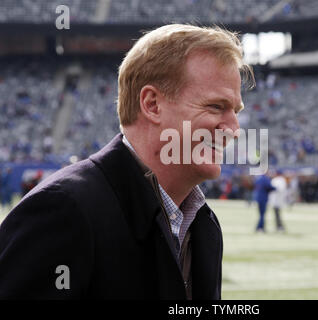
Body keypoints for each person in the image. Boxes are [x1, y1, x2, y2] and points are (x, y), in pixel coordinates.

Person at [0, 24, 253, 299]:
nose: (233, 129)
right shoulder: (64, 210)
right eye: (216, 106)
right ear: (152, 104)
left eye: (235, 111)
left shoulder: (203, 225)